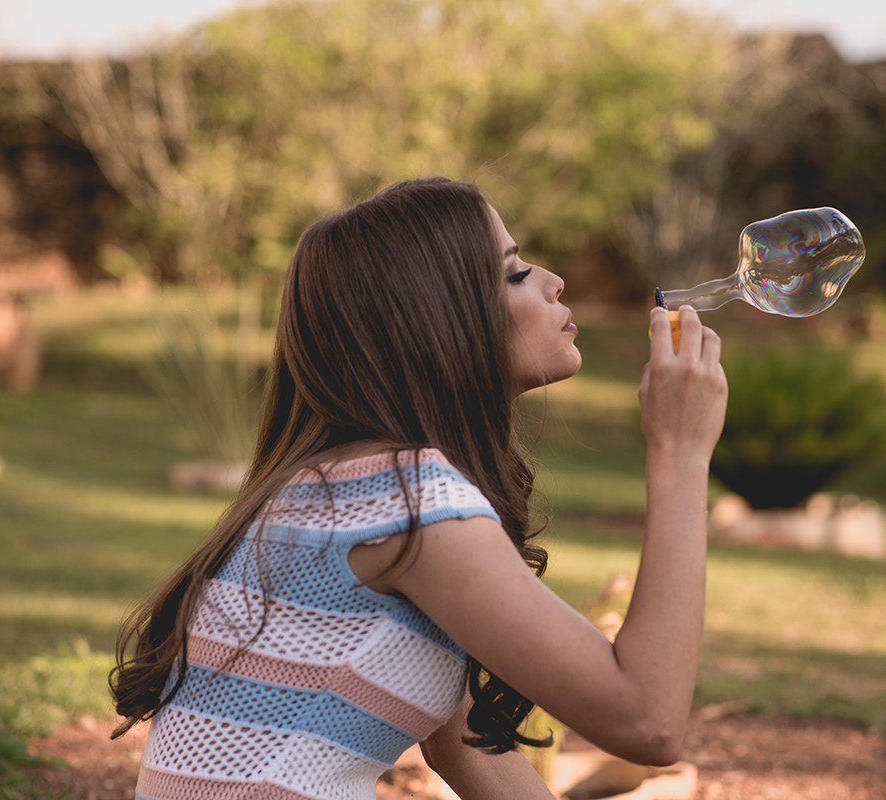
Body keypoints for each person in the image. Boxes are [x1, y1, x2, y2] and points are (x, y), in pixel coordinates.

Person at [111, 177, 728, 800]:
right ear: (438, 322)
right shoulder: (405, 499)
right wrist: (679, 451)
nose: (553, 281)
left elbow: (468, 749)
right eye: (513, 274)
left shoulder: (338, 486)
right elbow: (648, 722)